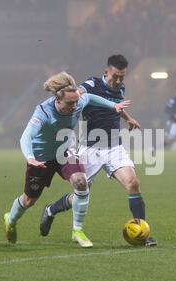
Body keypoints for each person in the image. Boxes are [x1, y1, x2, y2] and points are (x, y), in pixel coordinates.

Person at [40, 54, 158, 247]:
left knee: (133, 183)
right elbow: (75, 95)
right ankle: (51, 209)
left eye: (122, 77)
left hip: (114, 147)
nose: (118, 81)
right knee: (80, 193)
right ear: (106, 72)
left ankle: (142, 232)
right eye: (115, 76)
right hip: (90, 148)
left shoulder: (121, 87)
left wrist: (127, 118)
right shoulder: (90, 85)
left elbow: (115, 106)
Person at [3, 72, 130, 248]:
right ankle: (11, 219)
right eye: (70, 103)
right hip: (40, 158)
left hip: (65, 151)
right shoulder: (43, 112)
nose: (75, 106)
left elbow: (90, 97)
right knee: (29, 200)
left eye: (76, 101)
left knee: (81, 182)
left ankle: (77, 230)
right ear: (58, 99)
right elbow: (26, 137)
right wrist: (30, 158)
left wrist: (113, 105)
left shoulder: (78, 101)